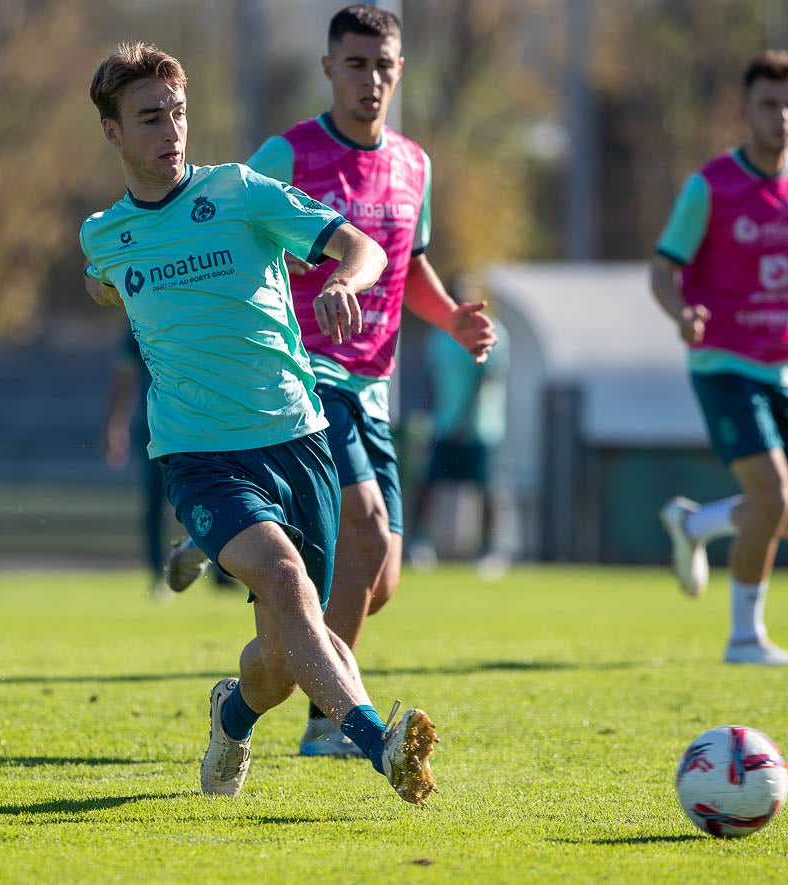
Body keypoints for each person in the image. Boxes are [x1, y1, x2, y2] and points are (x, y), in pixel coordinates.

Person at [79, 41, 438, 804]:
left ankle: (231, 714)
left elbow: (362, 246)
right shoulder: (104, 235)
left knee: (275, 659)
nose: (170, 131)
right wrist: (113, 293)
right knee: (283, 581)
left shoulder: (242, 192)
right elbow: (104, 277)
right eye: (148, 118)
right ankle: (380, 744)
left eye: (177, 113)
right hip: (200, 455)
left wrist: (343, 279)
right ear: (112, 132)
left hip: (297, 438)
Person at [165, 3, 495, 758]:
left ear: (400, 70)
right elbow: (227, 235)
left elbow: (409, 265)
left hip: (374, 384)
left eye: (382, 65)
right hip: (307, 378)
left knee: (378, 580)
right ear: (328, 69)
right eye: (355, 63)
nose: (369, 79)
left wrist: (450, 319)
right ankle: (328, 722)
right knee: (367, 529)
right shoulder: (286, 155)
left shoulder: (414, 164)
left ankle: (221, 541)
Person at [649, 50, 788, 667]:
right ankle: (744, 638)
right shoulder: (710, 186)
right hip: (726, 363)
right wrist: (681, 314)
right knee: (774, 499)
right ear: (745, 109)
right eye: (769, 104)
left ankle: (698, 525)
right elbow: (662, 268)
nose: (782, 116)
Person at [408, 306, 510, 578]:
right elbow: (432, 379)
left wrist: (462, 422)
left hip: (479, 428)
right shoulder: (439, 335)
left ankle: (490, 550)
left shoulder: (490, 329)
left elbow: (485, 378)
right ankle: (421, 544)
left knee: (486, 491)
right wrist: (431, 417)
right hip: (443, 426)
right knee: (428, 486)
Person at [101, 324, 168, 585]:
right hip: (154, 427)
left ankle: (220, 573)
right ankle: (157, 571)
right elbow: (125, 376)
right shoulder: (139, 319)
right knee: (154, 502)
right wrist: (115, 425)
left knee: (210, 493)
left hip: (196, 424)